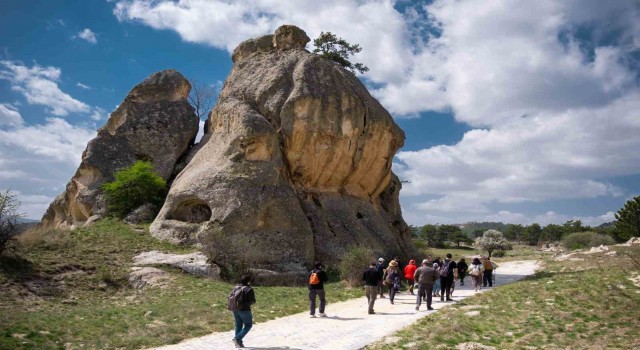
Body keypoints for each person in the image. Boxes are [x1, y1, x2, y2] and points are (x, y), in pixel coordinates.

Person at [230, 274, 256, 348]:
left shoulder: (235, 287)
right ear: (248, 281)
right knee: (248, 325)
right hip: (245, 310)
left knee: (238, 325)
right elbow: (252, 301)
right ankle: (237, 339)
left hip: (235, 309)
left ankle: (238, 343)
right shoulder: (249, 289)